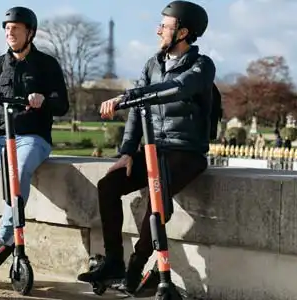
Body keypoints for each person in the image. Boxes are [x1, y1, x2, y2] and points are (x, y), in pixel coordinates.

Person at [77, 0, 215, 293]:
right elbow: (137, 113)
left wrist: (129, 95)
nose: (158, 31)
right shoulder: (153, 64)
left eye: (164, 26)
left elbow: (178, 88)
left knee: (156, 199)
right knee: (109, 185)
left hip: (186, 151)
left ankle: (136, 266)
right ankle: (113, 260)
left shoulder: (202, 66)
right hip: (154, 149)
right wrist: (127, 151)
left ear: (183, 32)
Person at [0, 6, 69, 264]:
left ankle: (5, 238)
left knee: (18, 171)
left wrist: (43, 100)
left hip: (33, 138)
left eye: (15, 29)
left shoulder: (46, 64)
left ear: (29, 33)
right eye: (7, 29)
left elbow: (62, 104)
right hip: (0, 138)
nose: (10, 33)